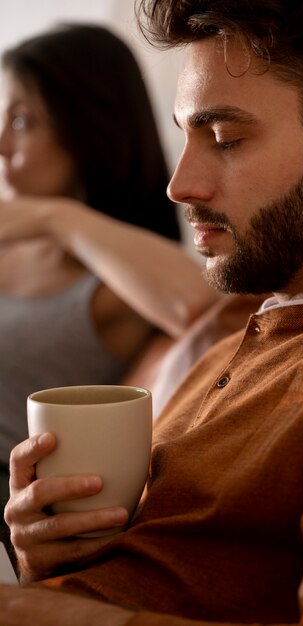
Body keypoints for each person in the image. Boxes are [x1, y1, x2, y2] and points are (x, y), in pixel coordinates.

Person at [2, 0, 303, 623]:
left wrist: (50, 615)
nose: (180, 184)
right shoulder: (232, 345)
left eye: (225, 139)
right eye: (184, 135)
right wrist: (50, 562)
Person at [0, 23, 218, 541]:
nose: (1, 144)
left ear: (88, 128)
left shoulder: (117, 285)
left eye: (23, 121)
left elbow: (203, 306)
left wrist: (56, 218)